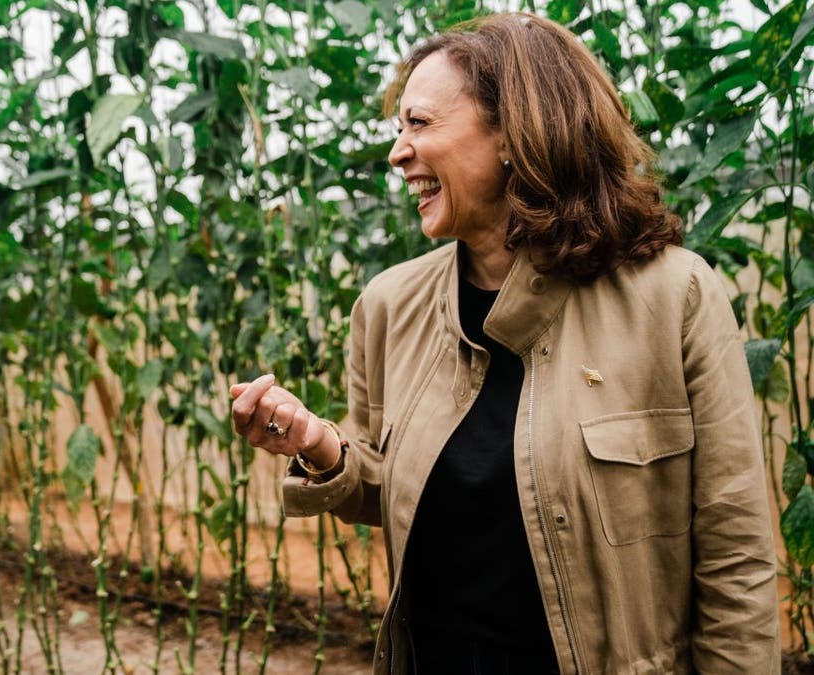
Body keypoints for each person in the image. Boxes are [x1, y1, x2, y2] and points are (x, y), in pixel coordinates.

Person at [231, 13, 779, 674]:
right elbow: (400, 489)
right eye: (397, 128)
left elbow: (736, 558)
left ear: (517, 134)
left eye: (420, 124)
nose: (398, 151)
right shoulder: (388, 307)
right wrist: (322, 448)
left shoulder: (675, 297)